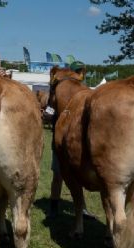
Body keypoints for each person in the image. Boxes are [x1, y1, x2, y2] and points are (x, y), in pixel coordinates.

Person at [48, 61, 95, 221]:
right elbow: (49, 107)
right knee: (58, 174)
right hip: (59, 137)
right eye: (79, 71)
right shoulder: (58, 87)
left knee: (75, 174)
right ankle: (54, 205)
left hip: (76, 139)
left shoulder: (84, 90)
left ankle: (82, 209)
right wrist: (49, 113)